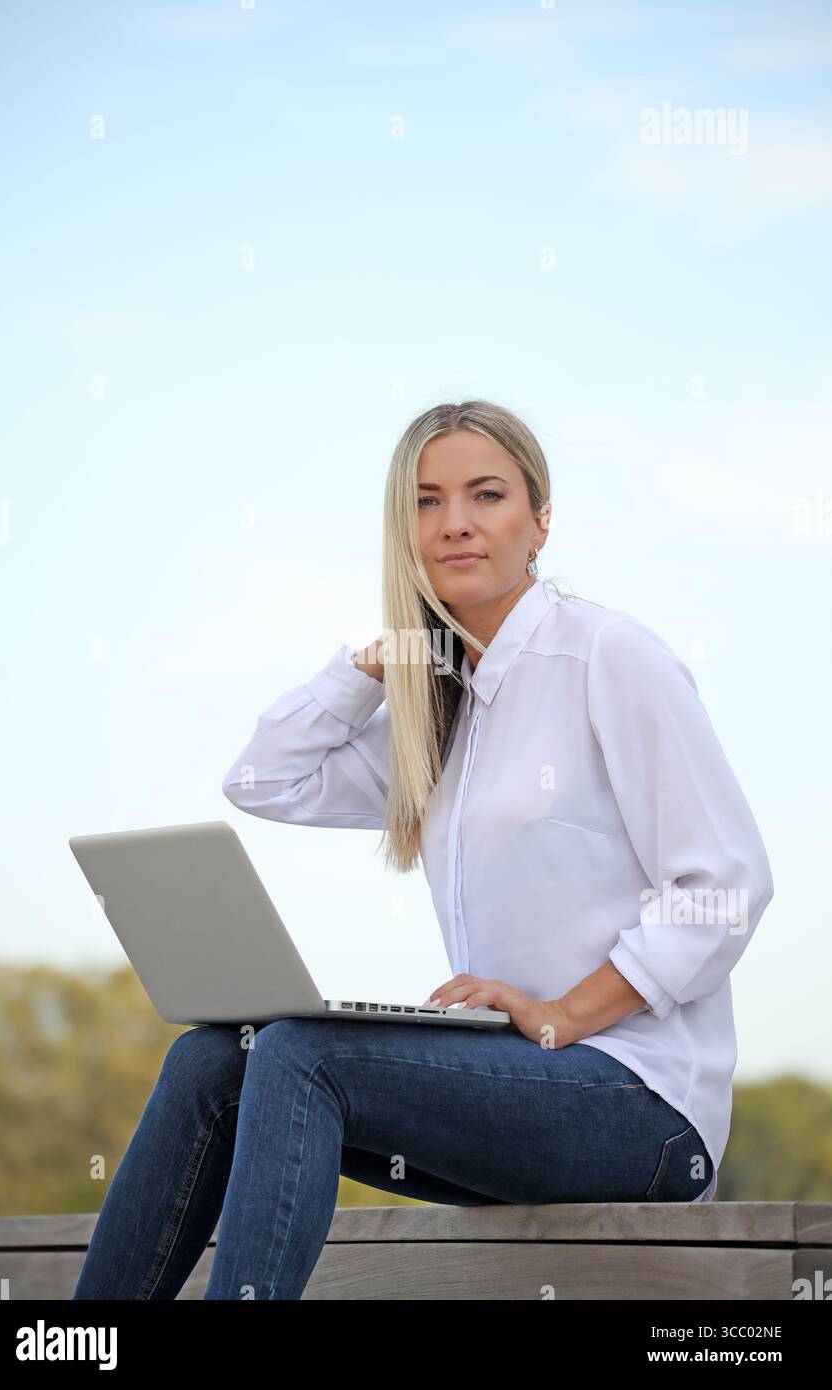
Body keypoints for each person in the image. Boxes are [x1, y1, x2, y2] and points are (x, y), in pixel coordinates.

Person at [72, 399, 773, 1301]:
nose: (455, 524)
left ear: (541, 520)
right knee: (215, 1058)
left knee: (300, 1052)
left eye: (486, 495)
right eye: (427, 502)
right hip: (521, 1087)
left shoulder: (609, 656)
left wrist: (560, 1012)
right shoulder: (441, 711)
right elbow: (264, 780)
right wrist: (373, 667)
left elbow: (725, 886)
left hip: (644, 1112)